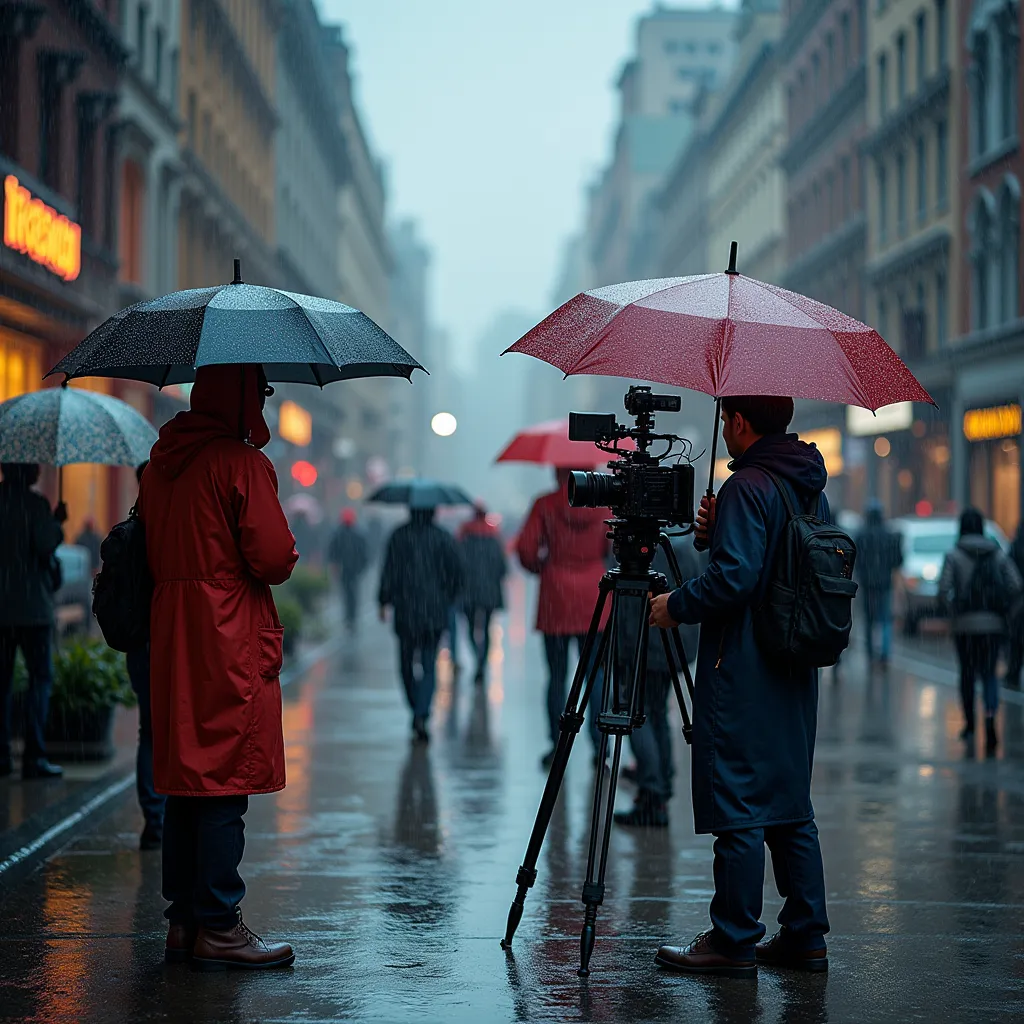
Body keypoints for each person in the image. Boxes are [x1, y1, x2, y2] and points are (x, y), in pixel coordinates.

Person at [650, 395, 830, 978]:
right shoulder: (804, 483)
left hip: (744, 664)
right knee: (789, 805)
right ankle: (804, 935)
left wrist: (675, 605)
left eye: (728, 418)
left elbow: (736, 580)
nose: (725, 427)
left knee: (739, 803)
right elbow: (783, 559)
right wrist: (713, 531)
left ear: (740, 421)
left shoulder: (746, 486)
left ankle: (732, 939)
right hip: (794, 662)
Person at [140, 364, 298, 970]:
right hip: (226, 629)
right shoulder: (239, 463)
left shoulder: (161, 465)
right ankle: (219, 926)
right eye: (259, 389)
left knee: (185, 780)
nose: (264, 399)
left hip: (175, 626)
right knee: (225, 780)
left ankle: (183, 920)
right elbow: (274, 557)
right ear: (238, 395)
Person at [517, 468, 609, 768]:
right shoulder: (603, 504)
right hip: (594, 597)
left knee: (556, 677)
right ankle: (599, 746)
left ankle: (557, 744)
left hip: (557, 597)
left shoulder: (545, 504)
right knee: (594, 677)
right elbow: (614, 548)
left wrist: (543, 565)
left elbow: (526, 549)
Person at [613, 535, 701, 828]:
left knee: (638, 714)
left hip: (647, 643)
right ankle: (661, 787)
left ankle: (652, 791)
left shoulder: (650, 551)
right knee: (657, 712)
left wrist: (622, 646)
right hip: (672, 645)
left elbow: (630, 604)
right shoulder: (683, 546)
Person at [938, 507, 1021, 755]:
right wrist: (1003, 609)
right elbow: (1016, 584)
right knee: (989, 674)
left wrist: (953, 611)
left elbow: (943, 589)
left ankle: (970, 723)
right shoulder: (996, 554)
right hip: (993, 626)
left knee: (967, 673)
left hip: (965, 626)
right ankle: (990, 715)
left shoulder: (954, 555)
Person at [0, 463, 65, 779]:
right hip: (33, 611)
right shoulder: (36, 505)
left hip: (2, 611)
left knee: (2, 683)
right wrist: (56, 523)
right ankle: (33, 755)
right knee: (40, 679)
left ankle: (1, 755)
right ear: (29, 473)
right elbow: (44, 546)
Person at [379, 506, 464, 742]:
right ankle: (421, 713)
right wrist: (447, 597)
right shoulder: (443, 538)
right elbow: (456, 575)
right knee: (429, 665)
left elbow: (389, 571)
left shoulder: (399, 536)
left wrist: (384, 599)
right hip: (433, 613)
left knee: (406, 666)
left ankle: (417, 707)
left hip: (406, 611)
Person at [124, 461, 164, 851]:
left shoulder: (133, 530)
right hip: (165, 641)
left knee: (148, 731)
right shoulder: (167, 527)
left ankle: (154, 819)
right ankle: (164, 815)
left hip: (139, 643)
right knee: (166, 729)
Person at [457, 503, 507, 684]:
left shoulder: (465, 538)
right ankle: (481, 663)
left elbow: (458, 566)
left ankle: (477, 657)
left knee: (471, 628)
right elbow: (502, 569)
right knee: (486, 629)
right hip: (489, 592)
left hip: (468, 591)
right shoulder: (493, 539)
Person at [855, 499, 903, 666]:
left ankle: (870, 653)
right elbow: (898, 560)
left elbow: (856, 560)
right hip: (884, 583)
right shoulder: (889, 535)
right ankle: (884, 653)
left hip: (868, 584)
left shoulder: (862, 535)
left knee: (869, 619)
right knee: (884, 619)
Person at [327, 508, 369, 631]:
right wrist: (361, 568)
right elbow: (364, 553)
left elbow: (332, 552)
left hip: (345, 569)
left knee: (346, 593)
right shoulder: (358, 534)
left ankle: (349, 617)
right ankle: (352, 617)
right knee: (352, 593)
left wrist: (334, 565)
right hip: (353, 570)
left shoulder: (338, 534)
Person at [1004, 521, 1024, 688]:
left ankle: (1013, 672)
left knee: (1017, 641)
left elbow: (1009, 579)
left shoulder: (1016, 547)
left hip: (1019, 603)